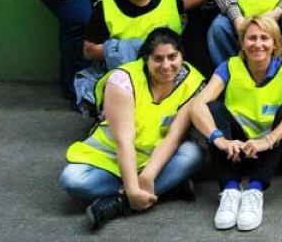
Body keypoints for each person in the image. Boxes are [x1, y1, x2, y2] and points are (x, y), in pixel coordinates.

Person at [61, 28, 204, 230]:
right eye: (158, 59)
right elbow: (123, 142)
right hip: (111, 155)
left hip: (154, 159)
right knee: (72, 179)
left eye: (172, 57)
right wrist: (131, 187)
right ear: (146, 59)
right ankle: (167, 187)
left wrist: (148, 176)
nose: (166, 66)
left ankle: (119, 203)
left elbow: (173, 137)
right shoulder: (123, 80)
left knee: (193, 153)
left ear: (182, 55)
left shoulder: (192, 81)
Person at [192, 16, 282, 231]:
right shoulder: (229, 67)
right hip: (239, 152)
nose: (257, 44)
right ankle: (230, 189)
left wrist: (268, 140)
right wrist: (218, 139)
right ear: (242, 43)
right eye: (251, 38)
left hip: (278, 151)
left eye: (264, 38)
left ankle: (255, 190)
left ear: (275, 43)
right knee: (212, 108)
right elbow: (197, 105)